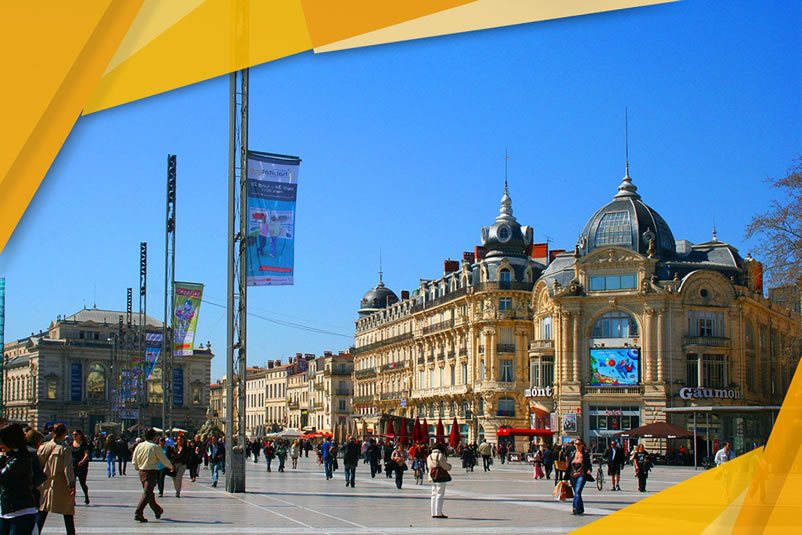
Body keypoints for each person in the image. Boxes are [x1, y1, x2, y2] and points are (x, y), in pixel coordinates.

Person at [36, 423, 76, 535]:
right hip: (60, 484)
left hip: (45, 483)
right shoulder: (64, 449)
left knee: (43, 510)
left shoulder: (44, 447)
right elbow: (67, 468)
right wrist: (71, 484)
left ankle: (35, 532)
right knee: (67, 511)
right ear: (64, 434)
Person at [0, 422, 38, 534]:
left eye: (2, 441)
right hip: (6, 511)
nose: (0, 445)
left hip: (21, 512)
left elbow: (3, 476)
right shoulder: (9, 456)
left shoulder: (22, 458)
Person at [132, 428, 174, 522]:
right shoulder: (155, 447)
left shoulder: (139, 446)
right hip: (150, 472)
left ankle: (157, 510)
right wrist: (171, 466)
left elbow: (134, 460)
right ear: (154, 437)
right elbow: (163, 459)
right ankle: (138, 512)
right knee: (147, 493)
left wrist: (138, 467)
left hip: (141, 472)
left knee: (149, 493)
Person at [567, 439, 592, 516]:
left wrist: (589, 470)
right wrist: (566, 478)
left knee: (577, 492)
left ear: (582, 445)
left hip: (581, 475)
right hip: (572, 476)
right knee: (577, 493)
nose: (577, 446)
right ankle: (581, 509)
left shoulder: (585, 454)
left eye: (578, 444)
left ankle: (575, 508)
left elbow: (588, 464)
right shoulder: (572, 453)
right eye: (576, 444)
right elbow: (568, 465)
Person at [427, 442, 452, 519]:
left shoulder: (429, 456)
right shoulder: (440, 455)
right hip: (440, 476)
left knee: (433, 494)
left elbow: (429, 467)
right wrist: (449, 467)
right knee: (440, 494)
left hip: (432, 476)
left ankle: (433, 512)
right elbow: (444, 465)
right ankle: (438, 512)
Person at [70, 429, 91, 505]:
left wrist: (83, 461)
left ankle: (86, 496)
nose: (74, 436)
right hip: (73, 466)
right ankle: (73, 500)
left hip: (82, 467)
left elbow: (86, 454)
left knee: (83, 483)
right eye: (73, 434)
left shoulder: (84, 444)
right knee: (73, 484)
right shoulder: (70, 443)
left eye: (76, 434)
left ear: (80, 435)